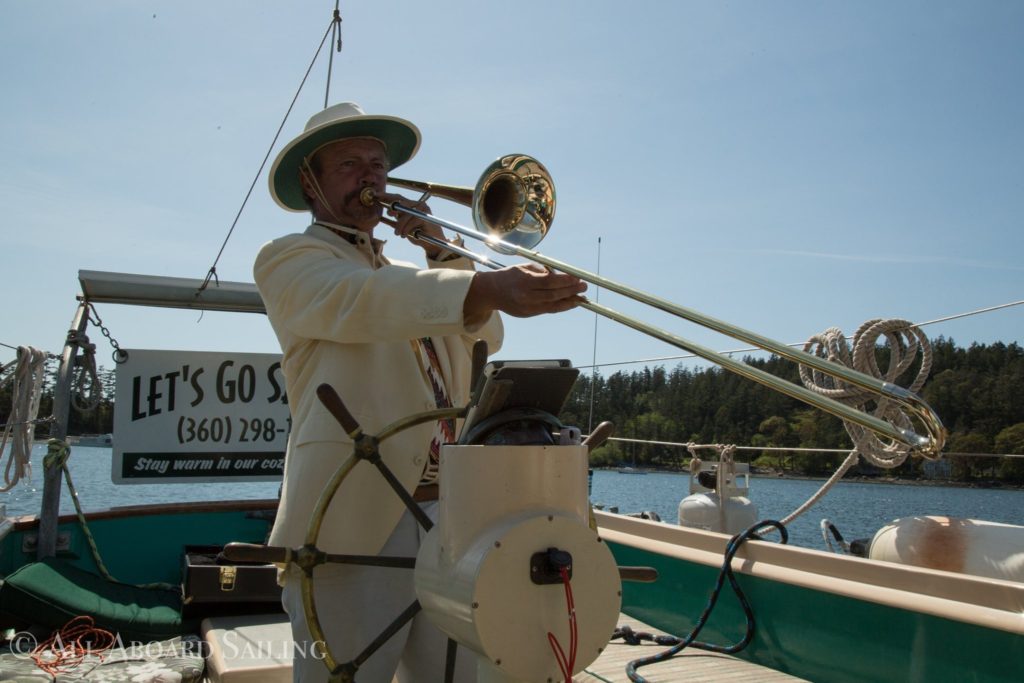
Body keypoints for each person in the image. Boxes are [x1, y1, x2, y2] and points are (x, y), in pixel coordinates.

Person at [254, 102, 585, 682]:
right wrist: (479, 282)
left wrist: (444, 249)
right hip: (348, 518)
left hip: (444, 517)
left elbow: (488, 330)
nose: (372, 177)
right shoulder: (292, 258)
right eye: (350, 164)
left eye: (378, 165)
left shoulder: (415, 276)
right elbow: (359, 302)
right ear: (310, 183)